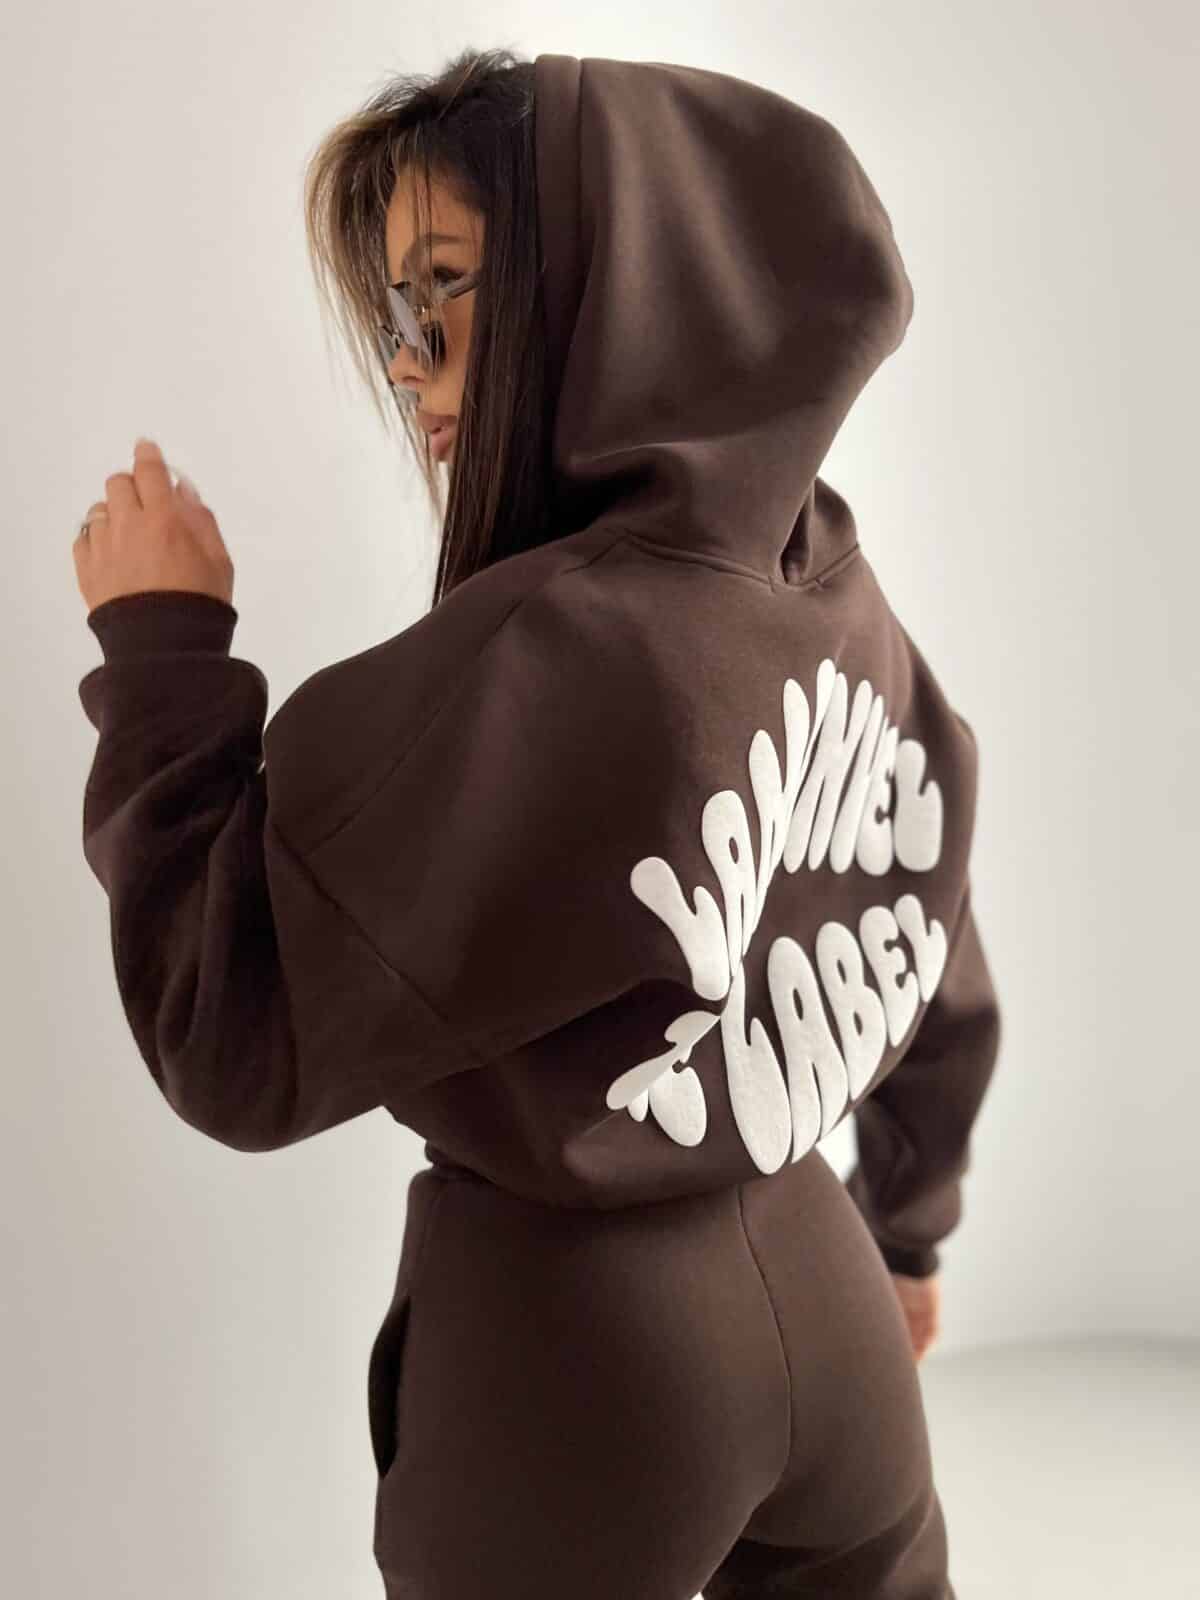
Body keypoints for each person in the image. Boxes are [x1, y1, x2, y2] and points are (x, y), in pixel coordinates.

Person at [74, 46, 1002, 1600]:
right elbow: (938, 931)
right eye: (393, 316)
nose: (408, 368)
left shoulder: (547, 655)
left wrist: (163, 651)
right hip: (828, 1296)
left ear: (626, 287)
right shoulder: (840, 592)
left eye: (442, 294)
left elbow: (230, 1030)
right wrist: (908, 1229)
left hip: (582, 1349)